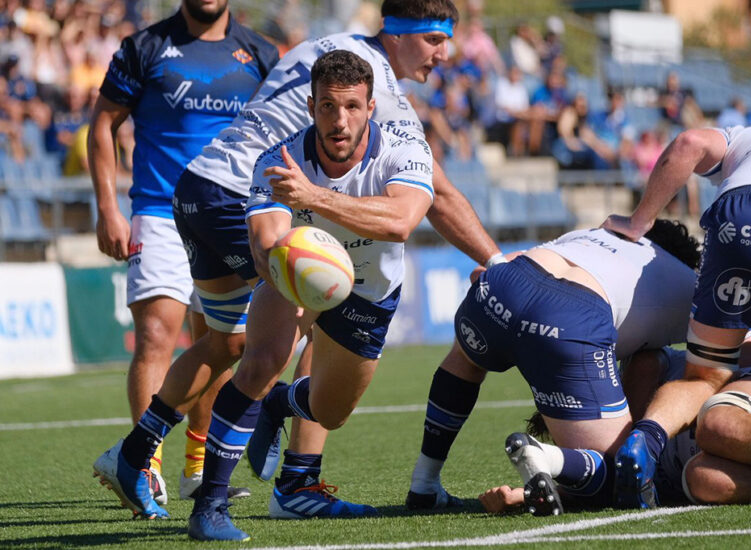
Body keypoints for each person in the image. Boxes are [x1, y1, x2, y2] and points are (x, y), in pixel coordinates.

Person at [94, 0, 503, 523]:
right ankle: (296, 482)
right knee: (305, 314)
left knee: (230, 342)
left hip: (202, 186)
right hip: (248, 194)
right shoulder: (372, 83)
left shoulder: (327, 51)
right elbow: (437, 197)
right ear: (397, 35)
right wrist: (495, 260)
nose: (444, 55)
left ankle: (133, 453)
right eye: (434, 40)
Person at [204, 49, 433, 540]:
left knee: (332, 412)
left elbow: (400, 222)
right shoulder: (277, 161)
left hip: (370, 292)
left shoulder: (405, 150)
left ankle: (281, 404)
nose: (339, 119)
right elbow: (266, 245)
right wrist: (290, 277)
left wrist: (313, 198)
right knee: (261, 360)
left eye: (352, 106)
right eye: (328, 106)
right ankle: (209, 505)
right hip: (295, 279)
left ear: (372, 107)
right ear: (311, 107)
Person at [89, 0, 278, 505]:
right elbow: (103, 122)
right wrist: (108, 206)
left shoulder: (260, 53)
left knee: (223, 345)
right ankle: (143, 468)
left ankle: (197, 471)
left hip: (228, 212)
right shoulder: (145, 47)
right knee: (155, 335)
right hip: (157, 208)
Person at [405, 221, 699, 513]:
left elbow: (480, 274)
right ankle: (545, 457)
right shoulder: (688, 283)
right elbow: (734, 345)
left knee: (465, 359)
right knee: (623, 475)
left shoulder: (595, 234)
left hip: (503, 283)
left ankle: (424, 482)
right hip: (573, 314)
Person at [602, 125, 751, 509]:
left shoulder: (747, 138)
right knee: (704, 471)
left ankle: (647, 438)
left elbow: (690, 143)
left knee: (706, 380)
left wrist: (639, 221)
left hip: (741, 218)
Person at [480, 338, 751, 513]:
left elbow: (648, 362)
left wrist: (628, 443)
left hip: (747, 406)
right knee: (705, 479)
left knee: (716, 425)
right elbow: (594, 484)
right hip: (715, 462)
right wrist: (522, 495)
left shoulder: (634, 373)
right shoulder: (607, 465)